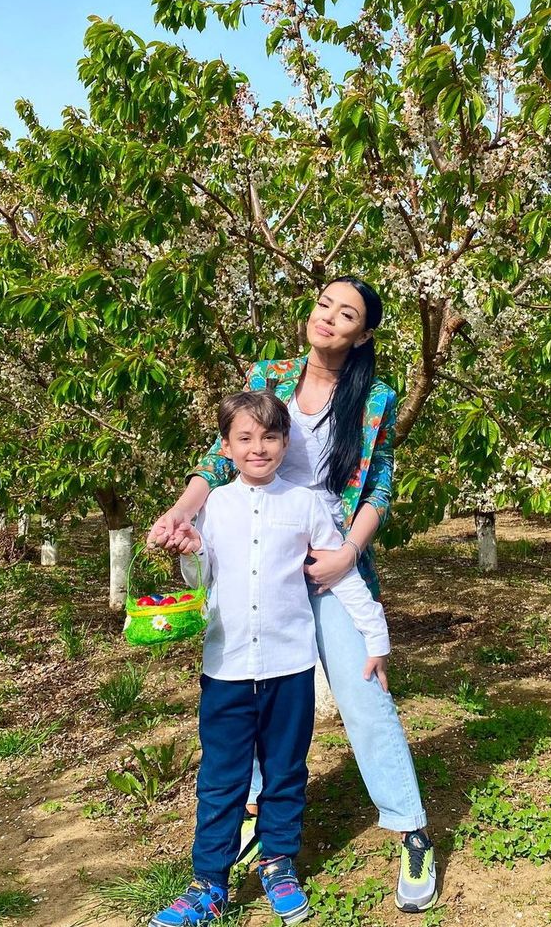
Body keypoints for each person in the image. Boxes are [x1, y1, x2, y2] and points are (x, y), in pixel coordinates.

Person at [148, 276, 437, 914]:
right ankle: (260, 826)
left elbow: (379, 485)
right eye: (324, 304)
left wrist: (348, 555)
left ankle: (410, 829)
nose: (328, 317)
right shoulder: (270, 376)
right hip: (262, 553)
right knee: (251, 683)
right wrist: (182, 514)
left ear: (363, 333)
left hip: (328, 556)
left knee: (364, 694)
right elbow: (220, 457)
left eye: (347, 314)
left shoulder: (375, 397)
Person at [150, 390, 390, 927]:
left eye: (270, 437)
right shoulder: (214, 506)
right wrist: (192, 553)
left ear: (285, 443)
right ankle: (208, 883)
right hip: (227, 670)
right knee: (222, 778)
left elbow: (341, 573)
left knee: (285, 771)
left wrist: (376, 638)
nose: (258, 448)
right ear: (226, 447)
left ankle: (278, 863)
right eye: (244, 438)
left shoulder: (305, 504)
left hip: (289, 669)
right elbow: (201, 578)